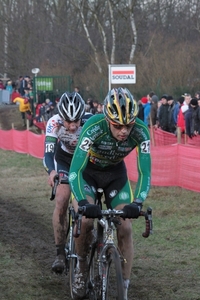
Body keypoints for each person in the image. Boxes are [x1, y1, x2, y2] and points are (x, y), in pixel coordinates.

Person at [69, 87, 151, 300]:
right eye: (117, 125)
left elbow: (145, 171)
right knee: (86, 221)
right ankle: (81, 267)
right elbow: (75, 170)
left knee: (125, 226)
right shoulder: (93, 127)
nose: (124, 131)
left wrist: (139, 201)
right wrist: (81, 200)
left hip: (115, 175)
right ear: (107, 119)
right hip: (88, 173)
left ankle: (124, 285)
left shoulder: (141, 131)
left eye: (128, 125)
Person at [43, 91, 89, 274]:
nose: (72, 126)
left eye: (76, 121)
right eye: (68, 121)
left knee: (81, 206)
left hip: (84, 161)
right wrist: (52, 171)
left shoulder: (89, 120)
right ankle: (60, 253)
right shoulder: (54, 122)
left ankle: (86, 243)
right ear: (61, 116)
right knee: (61, 199)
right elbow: (48, 153)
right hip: (63, 161)